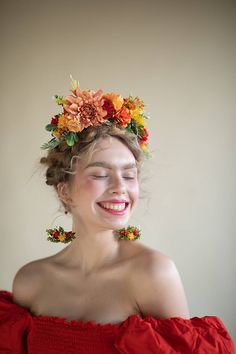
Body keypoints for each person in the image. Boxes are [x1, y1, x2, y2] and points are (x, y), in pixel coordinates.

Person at [0, 78, 234, 353]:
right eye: (100, 174)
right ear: (65, 191)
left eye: (129, 175)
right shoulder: (30, 281)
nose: (120, 188)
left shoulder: (154, 274)